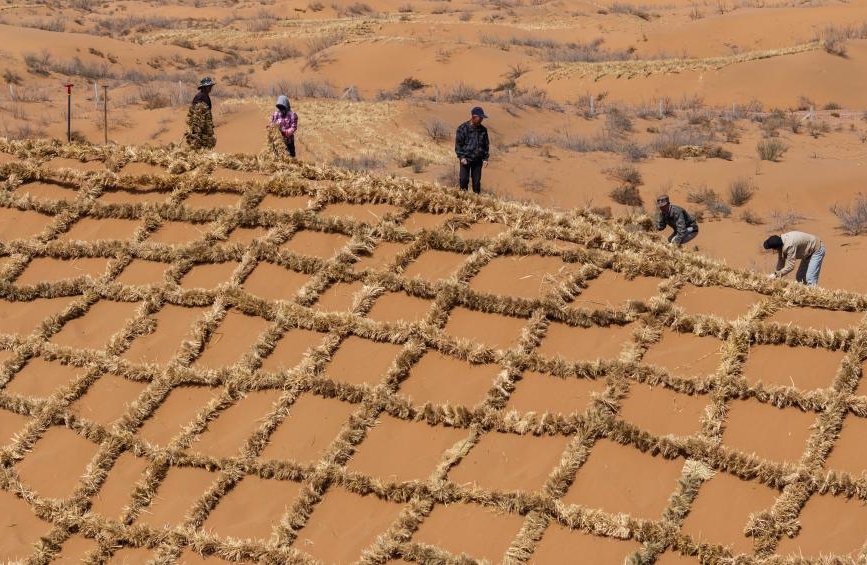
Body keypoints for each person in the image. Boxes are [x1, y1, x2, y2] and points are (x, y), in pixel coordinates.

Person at [454, 106, 490, 194]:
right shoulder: (462, 128)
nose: (481, 120)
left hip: (477, 160)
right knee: (463, 181)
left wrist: (485, 158)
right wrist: (462, 157)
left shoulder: (483, 130)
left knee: (476, 183)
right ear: (474, 117)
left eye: (482, 118)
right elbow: (458, 145)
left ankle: (476, 203)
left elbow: (486, 144)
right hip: (465, 159)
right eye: (480, 118)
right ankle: (463, 200)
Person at [184, 77, 216, 150]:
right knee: (199, 143)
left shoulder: (205, 95)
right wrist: (198, 129)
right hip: (200, 125)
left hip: (205, 125)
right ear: (204, 87)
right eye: (209, 86)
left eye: (211, 86)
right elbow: (196, 114)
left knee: (208, 142)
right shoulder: (200, 96)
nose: (211, 88)